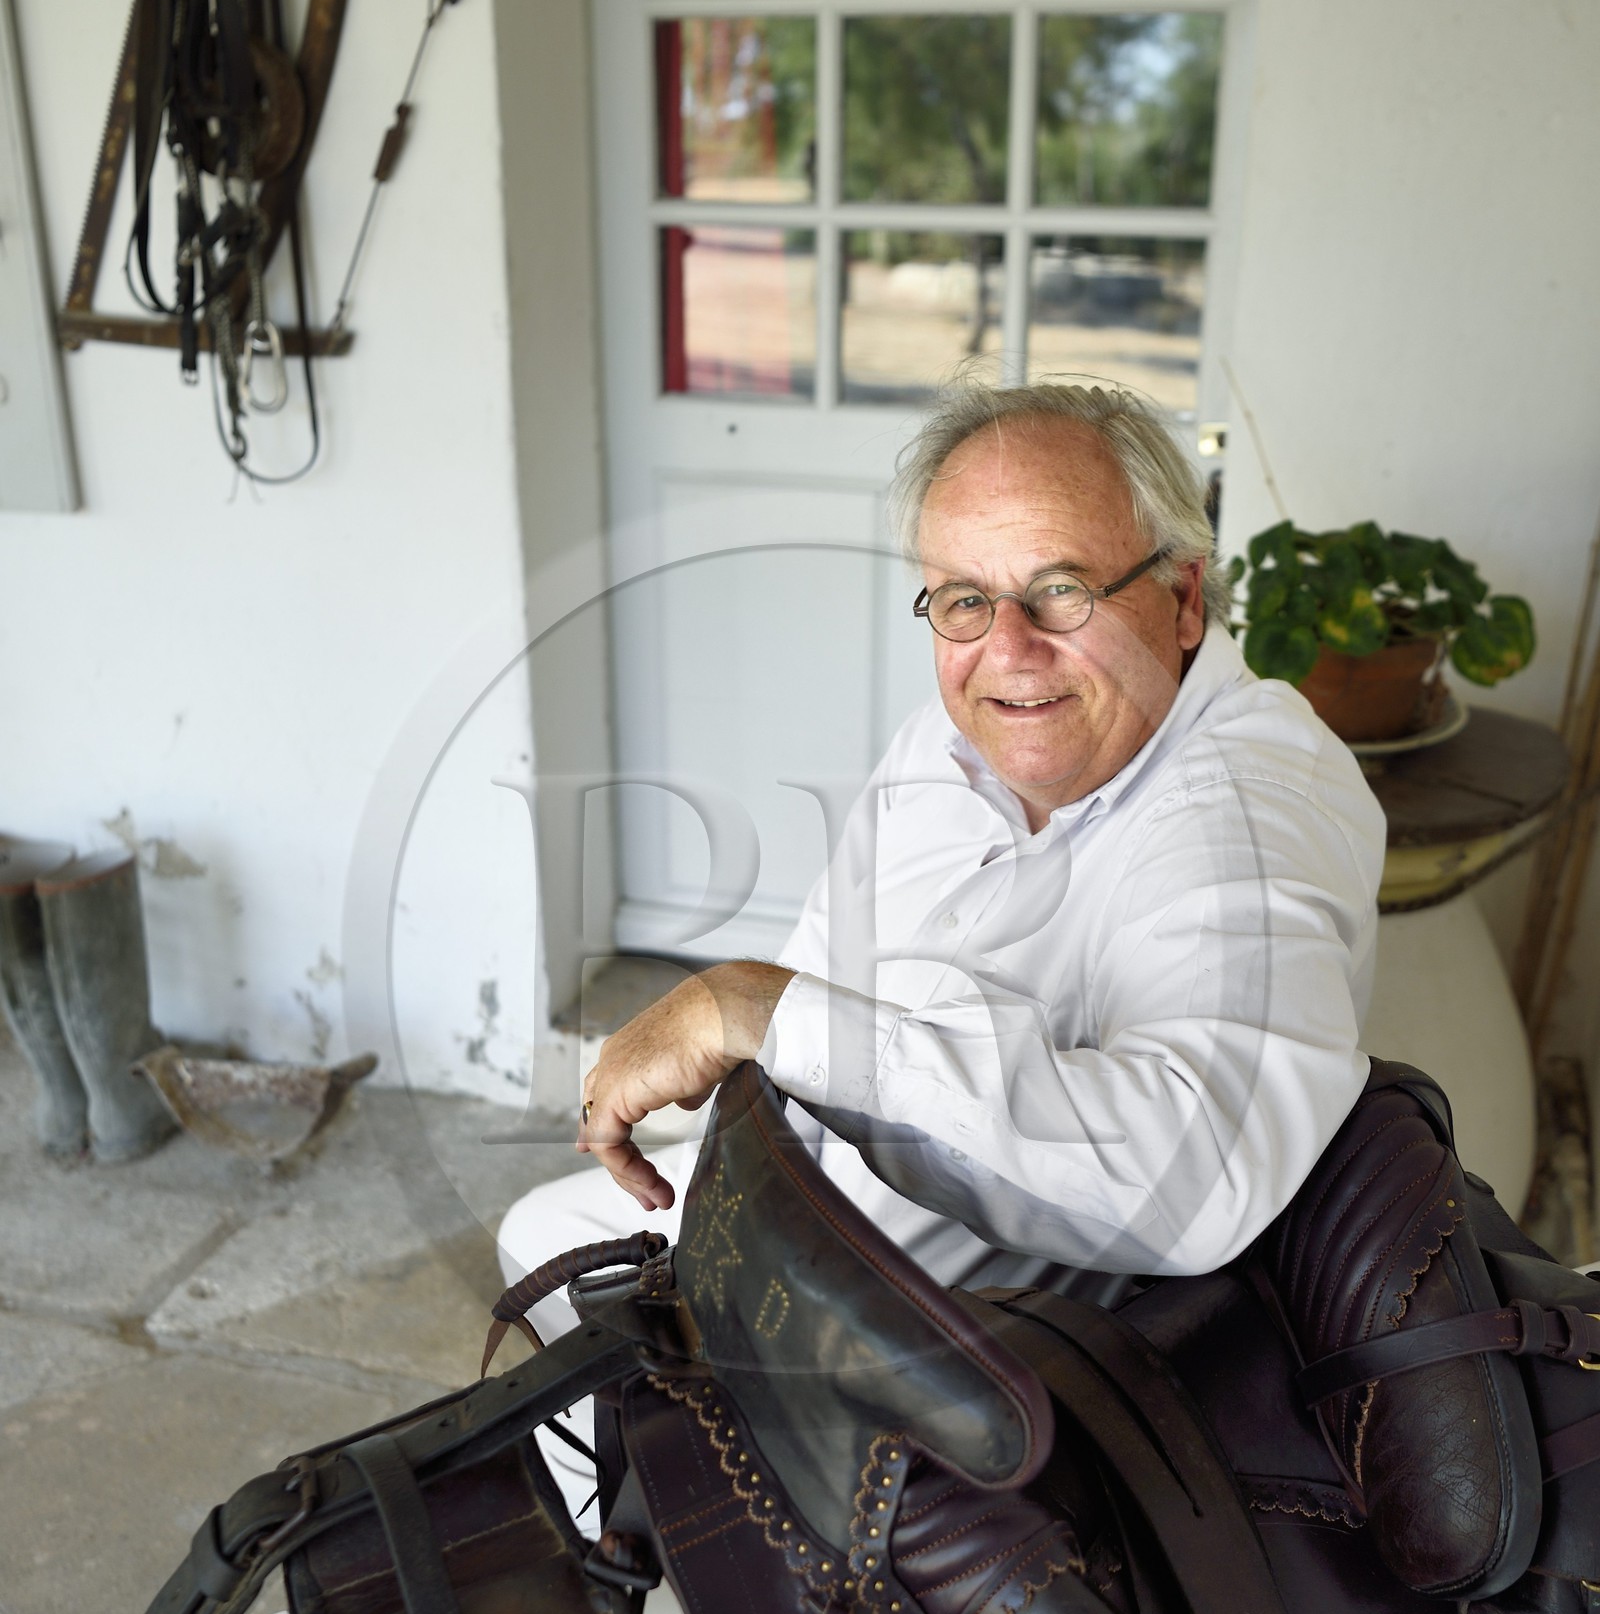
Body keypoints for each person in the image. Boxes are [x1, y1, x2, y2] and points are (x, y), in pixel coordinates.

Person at [499, 381, 1386, 1378]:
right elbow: (818, 980)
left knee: (631, 1377)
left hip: (980, 1354)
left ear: (1182, 599)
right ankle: (635, 1525)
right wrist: (735, 1137)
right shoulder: (954, 739)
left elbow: (1188, 1184)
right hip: (814, 1229)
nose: (1008, 650)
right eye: (964, 600)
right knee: (543, 1242)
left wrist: (760, 1012)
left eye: (1061, 588)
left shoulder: (1250, 800)